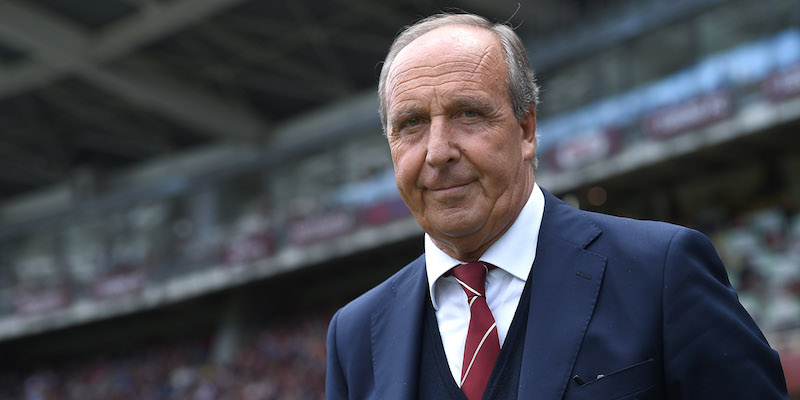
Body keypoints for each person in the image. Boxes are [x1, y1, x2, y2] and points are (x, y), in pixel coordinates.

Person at [326, 12, 788, 400]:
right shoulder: (354, 334)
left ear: (526, 130)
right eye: (412, 123)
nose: (438, 150)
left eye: (469, 113)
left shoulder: (662, 272)